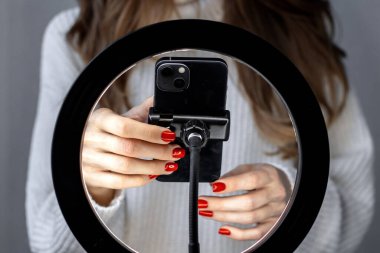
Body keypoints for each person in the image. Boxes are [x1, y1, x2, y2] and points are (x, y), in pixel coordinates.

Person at [26, 0, 375, 252]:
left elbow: (355, 210)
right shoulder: (75, 38)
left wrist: (294, 207)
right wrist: (94, 188)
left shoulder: (299, 34)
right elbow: (47, 242)